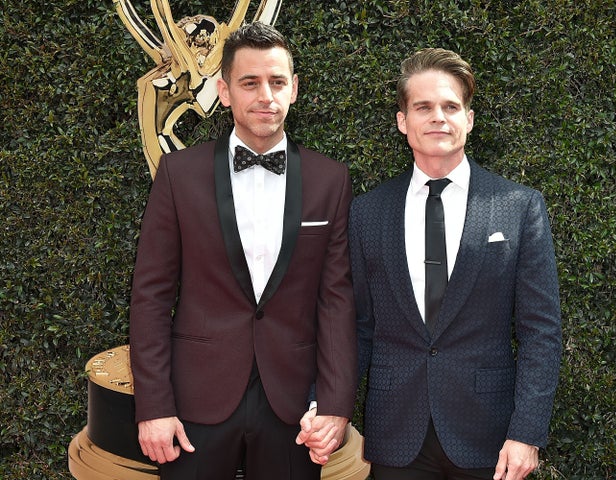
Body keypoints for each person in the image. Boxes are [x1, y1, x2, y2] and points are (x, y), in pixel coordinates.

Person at [128, 21, 357, 480]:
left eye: (276, 82)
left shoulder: (331, 180)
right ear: (224, 91)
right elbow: (150, 295)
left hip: (293, 411)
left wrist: (334, 405)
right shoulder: (178, 175)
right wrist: (153, 406)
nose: (265, 96)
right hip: (195, 404)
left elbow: (336, 300)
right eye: (249, 82)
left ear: (294, 89)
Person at [348, 48, 562, 480]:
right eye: (423, 107)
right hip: (395, 439)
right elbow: (356, 328)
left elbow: (541, 332)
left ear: (469, 118)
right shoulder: (366, 213)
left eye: (450, 106)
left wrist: (527, 433)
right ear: (402, 121)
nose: (438, 118)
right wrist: (327, 405)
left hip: (491, 438)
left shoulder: (518, 207)